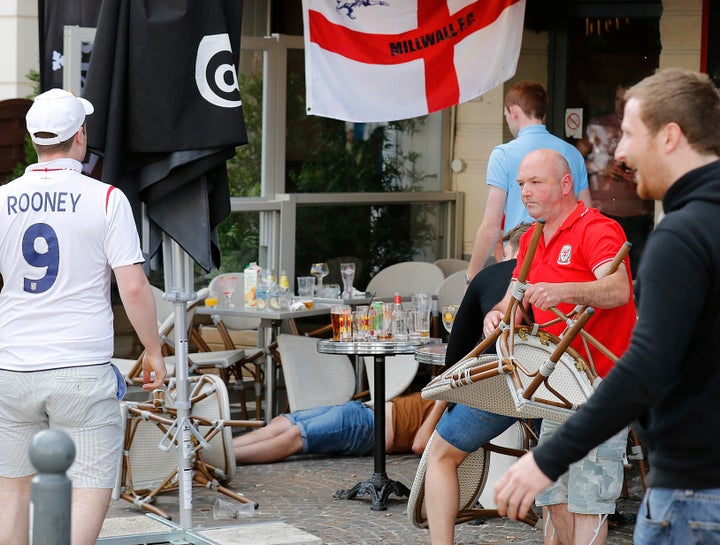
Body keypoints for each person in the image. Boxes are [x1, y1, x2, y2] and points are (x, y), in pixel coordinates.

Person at [494, 68, 720, 545]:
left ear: (671, 137)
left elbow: (644, 368)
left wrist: (545, 459)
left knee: (587, 504)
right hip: (558, 387)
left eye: (630, 134)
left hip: (694, 488)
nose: (618, 153)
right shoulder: (535, 238)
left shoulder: (679, 236)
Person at [0, 89, 167, 545]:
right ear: (81, 136)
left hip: (13, 366)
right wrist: (154, 351)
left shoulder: (3, 199)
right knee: (89, 483)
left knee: (12, 491)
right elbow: (133, 286)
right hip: (81, 366)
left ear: (36, 140)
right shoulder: (107, 198)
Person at [482, 149, 637, 545]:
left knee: (589, 496)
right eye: (521, 184)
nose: (526, 192)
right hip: (558, 381)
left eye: (536, 182)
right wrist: (501, 314)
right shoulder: (533, 237)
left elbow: (619, 288)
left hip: (603, 382)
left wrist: (563, 289)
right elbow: (513, 300)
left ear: (566, 185)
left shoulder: (596, 229)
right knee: (553, 492)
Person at [424, 221, 533, 545]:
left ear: (511, 252)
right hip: (551, 386)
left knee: (442, 455)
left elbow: (457, 352)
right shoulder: (557, 275)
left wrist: (453, 405)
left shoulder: (488, 277)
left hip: (499, 386)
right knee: (555, 463)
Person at [467, 80, 591, 280]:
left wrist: (471, 276)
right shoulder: (572, 153)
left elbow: (491, 225)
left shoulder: (503, 154)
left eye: (506, 115)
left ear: (514, 111)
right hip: (564, 261)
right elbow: (587, 212)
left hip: (519, 263)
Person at [233, 391, 445, 464]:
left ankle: (224, 460)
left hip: (366, 427)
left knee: (295, 435)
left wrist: (442, 401)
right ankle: (214, 451)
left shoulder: (452, 408)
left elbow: (420, 445)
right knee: (281, 423)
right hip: (361, 410)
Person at [578, 82, 655, 276]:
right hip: (602, 211)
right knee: (603, 272)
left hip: (637, 215)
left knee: (636, 274)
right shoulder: (599, 124)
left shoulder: (647, 126)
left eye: (626, 100)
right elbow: (574, 158)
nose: (620, 106)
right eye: (617, 99)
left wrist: (638, 173)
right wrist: (599, 167)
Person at [444, 221, 532, 367]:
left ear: (518, 252)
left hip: (494, 377)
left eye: (505, 255)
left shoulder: (487, 276)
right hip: (554, 380)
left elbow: (455, 356)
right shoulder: (559, 283)